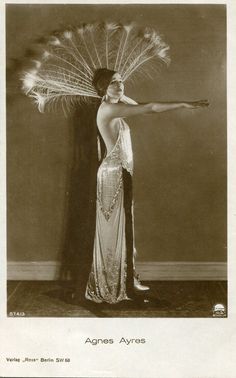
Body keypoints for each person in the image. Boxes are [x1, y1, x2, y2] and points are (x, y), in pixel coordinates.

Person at [61, 68, 209, 305]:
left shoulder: (115, 102)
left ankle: (124, 278)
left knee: (122, 227)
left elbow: (137, 103)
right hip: (112, 175)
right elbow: (148, 107)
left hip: (121, 173)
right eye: (112, 83)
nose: (119, 86)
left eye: (121, 81)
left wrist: (118, 90)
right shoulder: (109, 109)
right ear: (102, 88)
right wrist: (183, 104)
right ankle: (110, 283)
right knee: (112, 230)